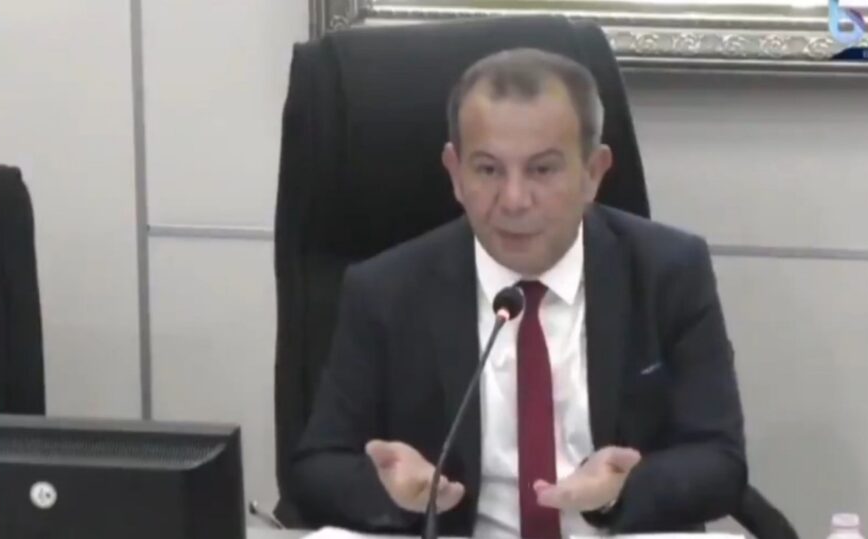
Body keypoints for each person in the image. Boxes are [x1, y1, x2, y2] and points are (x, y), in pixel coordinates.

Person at [288, 47, 746, 538]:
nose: (513, 200)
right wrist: (393, 493)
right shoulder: (386, 290)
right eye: (488, 170)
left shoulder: (667, 272)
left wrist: (622, 489)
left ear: (593, 173)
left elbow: (719, 461)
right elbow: (317, 469)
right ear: (455, 173)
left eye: (542, 170)